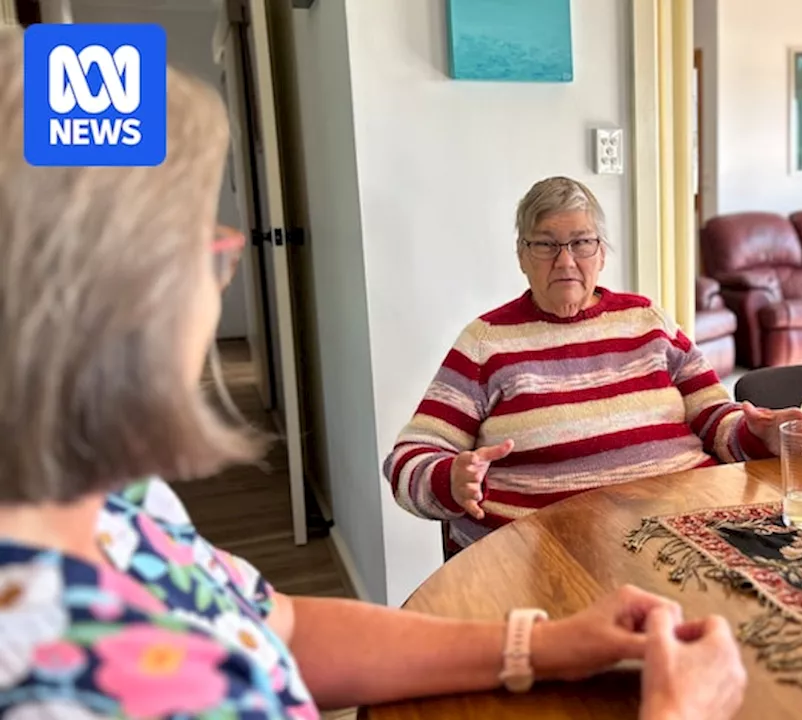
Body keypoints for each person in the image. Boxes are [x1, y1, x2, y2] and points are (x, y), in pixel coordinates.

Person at [0, 35, 744, 720]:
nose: (218, 277)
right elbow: (413, 461)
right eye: (206, 248)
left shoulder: (124, 509)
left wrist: (540, 647)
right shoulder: (63, 677)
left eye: (582, 243)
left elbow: (276, 623)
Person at [384, 176, 802, 550]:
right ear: (521, 256)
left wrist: (753, 433)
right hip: (551, 555)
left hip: (689, 531)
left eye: (581, 242)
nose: (565, 261)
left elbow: (714, 417)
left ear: (601, 253)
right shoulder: (486, 343)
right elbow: (408, 458)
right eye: (546, 244)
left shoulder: (647, 321)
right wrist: (450, 479)